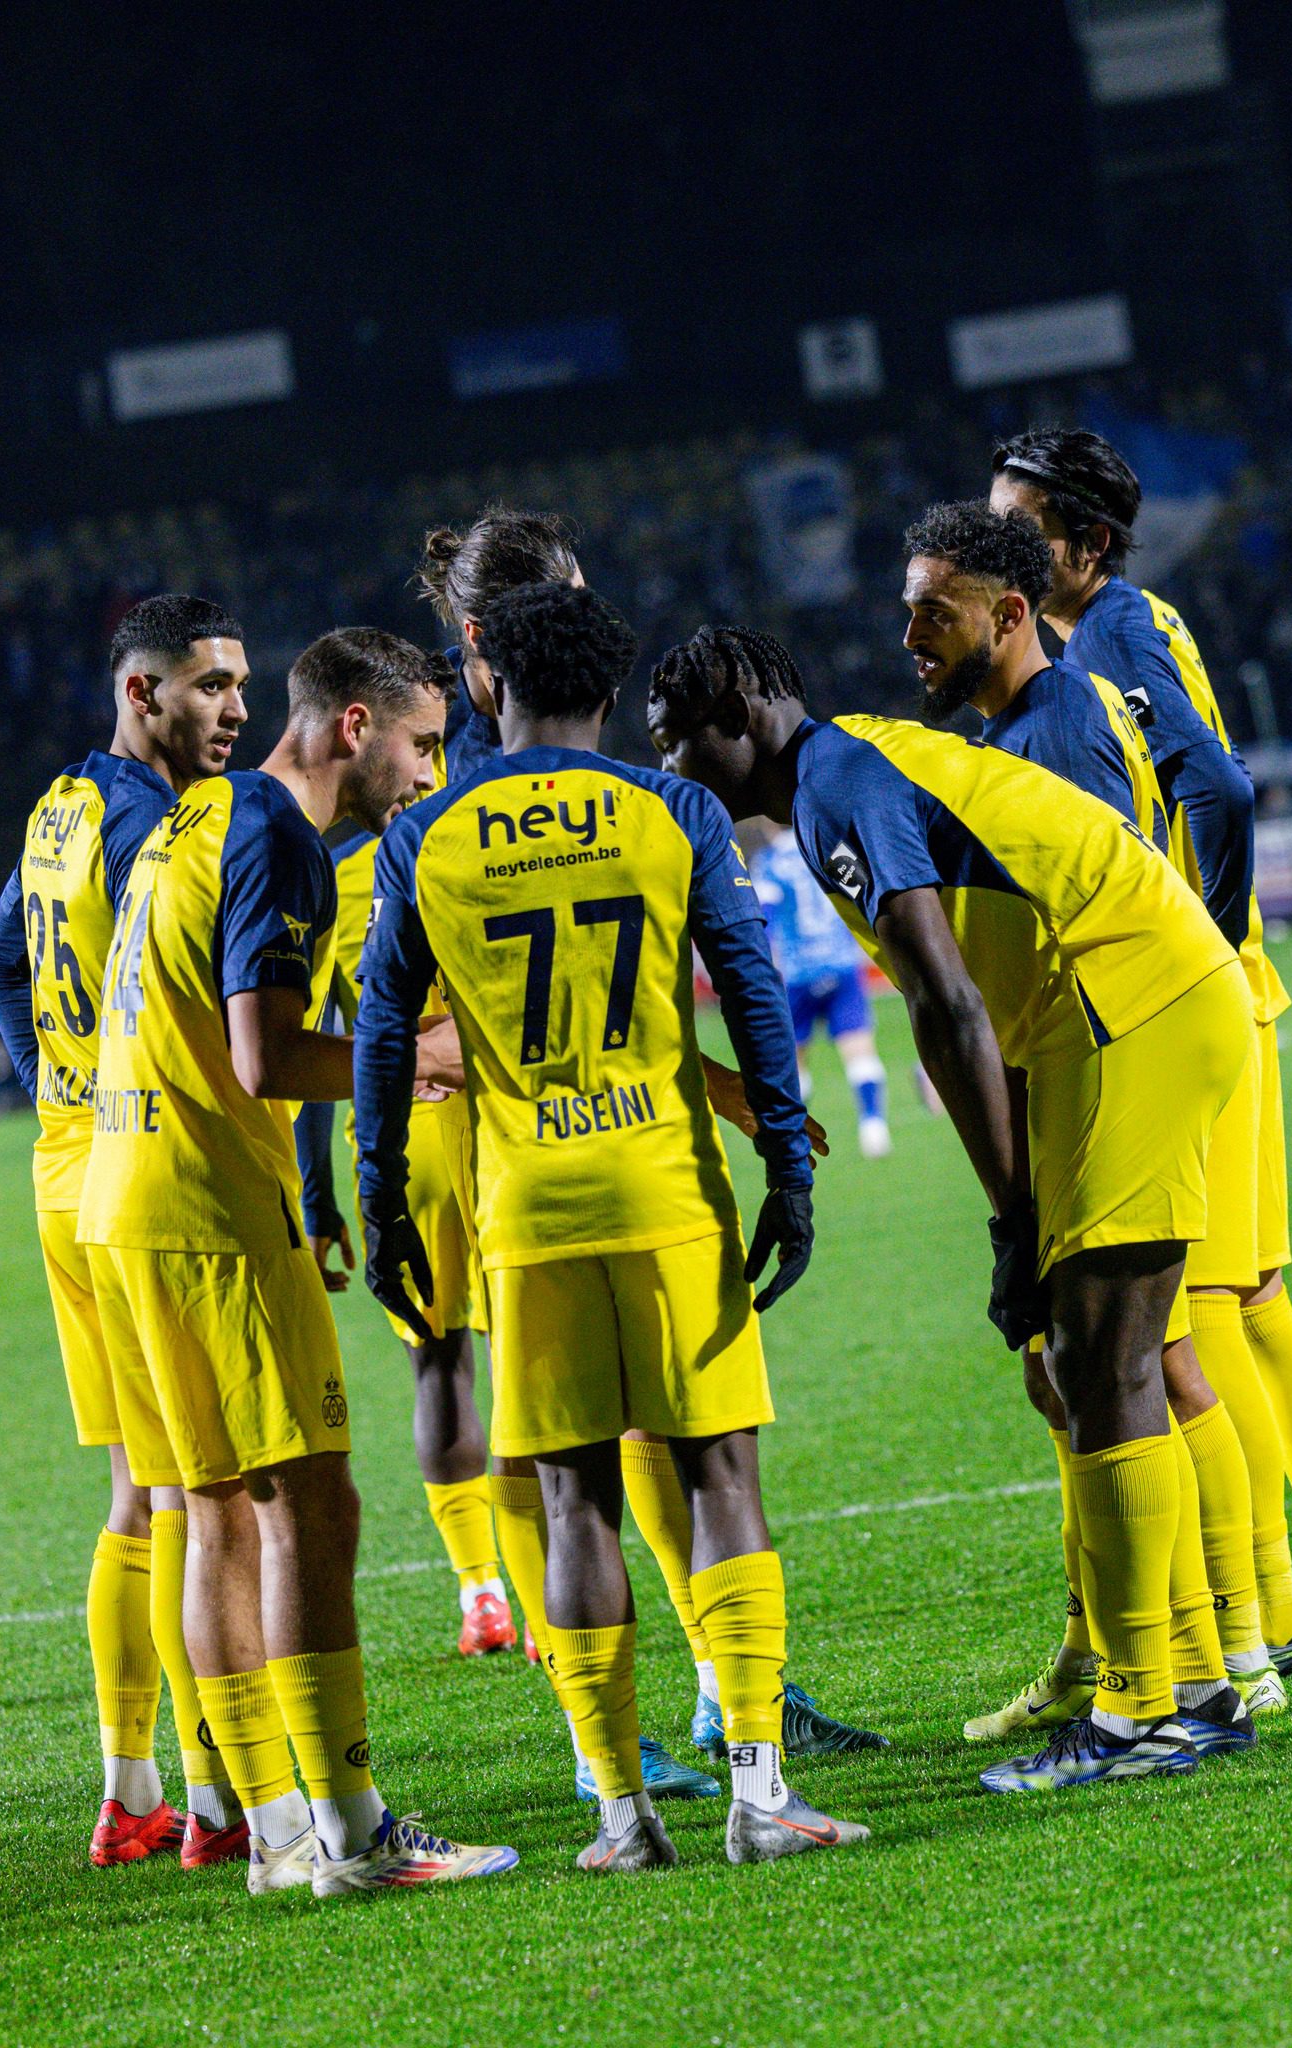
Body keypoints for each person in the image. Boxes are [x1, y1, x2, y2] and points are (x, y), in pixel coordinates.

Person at [650, 623, 1255, 1793]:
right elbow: (995, 989)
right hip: (1118, 1007)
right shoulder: (850, 762)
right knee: (1081, 1359)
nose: (675, 776)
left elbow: (946, 1005)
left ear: (735, 706)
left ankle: (1146, 1712)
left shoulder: (834, 787)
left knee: (1110, 1357)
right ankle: (1190, 1682)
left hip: (1136, 1003)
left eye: (676, 745)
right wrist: (1019, 1218)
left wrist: (1011, 1224)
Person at [355, 582, 869, 1869]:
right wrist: (790, 1180)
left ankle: (619, 1813)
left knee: (575, 1496)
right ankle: (758, 1789)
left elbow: (380, 1028)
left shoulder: (427, 835)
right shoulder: (675, 809)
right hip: (665, 1188)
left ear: (494, 685)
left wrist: (378, 1191)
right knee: (718, 1478)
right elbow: (747, 989)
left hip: (526, 1206)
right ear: (608, 688)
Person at [75, 623, 515, 1897]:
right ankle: (356, 1827)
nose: (431, 775)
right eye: (423, 744)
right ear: (357, 727)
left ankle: (272, 1827)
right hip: (213, 1204)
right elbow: (266, 1058)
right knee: (314, 1503)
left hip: (124, 1192)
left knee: (213, 1511)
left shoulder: (191, 821)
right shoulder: (274, 832)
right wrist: (418, 1059)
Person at [990, 428, 1292, 1670]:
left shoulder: (1108, 634)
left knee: (1202, 1309)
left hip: (1195, 1004)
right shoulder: (1130, 619)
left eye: (1020, 527)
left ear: (1084, 545)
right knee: (1258, 1301)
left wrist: (1203, 949)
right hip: (1231, 997)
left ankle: (1273, 1617)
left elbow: (1217, 789)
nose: (1001, 545)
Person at [895, 502, 1283, 1748]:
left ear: (1010, 616)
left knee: (1138, 1359)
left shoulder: (1055, 736)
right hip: (1102, 1049)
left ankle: (1213, 1651)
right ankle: (1140, 1643)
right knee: (1092, 1368)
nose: (911, 637)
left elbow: (1122, 887)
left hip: (1115, 1052)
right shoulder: (1045, 715)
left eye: (934, 613)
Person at [0, 593, 250, 1868]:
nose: (234, 709)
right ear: (141, 693)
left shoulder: (55, 806)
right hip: (140, 1179)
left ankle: (132, 1785)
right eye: (207, 686)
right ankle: (216, 1794)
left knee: (142, 1489)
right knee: (205, 1483)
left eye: (240, 685)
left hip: (61, 1172)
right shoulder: (155, 822)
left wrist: (57, 1087)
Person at [294, 695, 518, 1664]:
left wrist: (317, 1193)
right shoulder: (497, 857)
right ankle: (553, 1578)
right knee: (542, 1356)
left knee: (441, 1363)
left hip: (406, 1136)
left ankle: (482, 1590)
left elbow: (311, 1049)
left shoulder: (342, 883)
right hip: (516, 1128)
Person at [751, 827, 892, 1158]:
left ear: (767, 824)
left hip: (797, 972)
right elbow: (865, 893)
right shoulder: (831, 848)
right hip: (841, 965)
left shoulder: (768, 862)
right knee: (859, 1049)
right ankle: (874, 1125)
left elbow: (764, 919)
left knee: (795, 1061)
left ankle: (796, 1137)